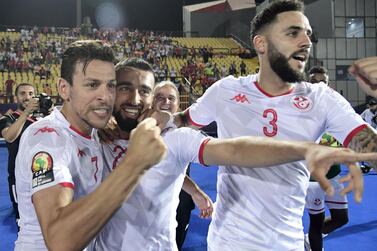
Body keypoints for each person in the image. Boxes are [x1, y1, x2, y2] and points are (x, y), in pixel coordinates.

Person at [96, 57, 374, 251]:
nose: (135, 98)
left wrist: (303, 148)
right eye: (124, 88)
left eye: (144, 91)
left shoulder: (176, 139)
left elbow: (234, 150)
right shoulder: (89, 136)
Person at [173, 1, 377, 250]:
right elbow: (182, 122)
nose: (306, 41)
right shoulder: (226, 90)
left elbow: (370, 146)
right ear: (261, 43)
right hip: (228, 242)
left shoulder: (322, 99)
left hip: (286, 243)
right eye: (293, 33)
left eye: (308, 34)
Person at [14, 40, 166, 251]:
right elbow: (60, 242)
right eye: (92, 85)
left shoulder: (94, 130)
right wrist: (134, 165)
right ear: (64, 89)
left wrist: (164, 117)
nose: (106, 97)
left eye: (110, 85)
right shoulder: (48, 138)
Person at [153, 80, 213, 249]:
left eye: (171, 98)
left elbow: (223, 153)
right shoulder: (135, 130)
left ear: (178, 104)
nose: (166, 102)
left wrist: (195, 191)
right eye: (160, 97)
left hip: (179, 197)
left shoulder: (184, 135)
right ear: (151, 100)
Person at [304, 67, 349, 251]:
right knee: (316, 220)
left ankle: (309, 240)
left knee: (341, 218)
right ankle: (314, 244)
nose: (320, 86)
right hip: (313, 178)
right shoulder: (301, 110)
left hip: (333, 174)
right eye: (315, 82)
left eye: (324, 82)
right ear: (308, 84)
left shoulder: (338, 107)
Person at [0, 83, 39, 228]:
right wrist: (26, 113)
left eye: (30, 94)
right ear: (16, 97)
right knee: (23, 221)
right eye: (22, 93)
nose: (27, 97)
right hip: (18, 178)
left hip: (40, 173)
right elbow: (9, 137)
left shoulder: (42, 118)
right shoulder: (7, 118)